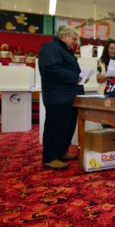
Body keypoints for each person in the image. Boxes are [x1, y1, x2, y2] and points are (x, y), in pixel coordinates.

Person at [39, 26, 85, 169]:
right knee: (56, 127)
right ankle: (50, 157)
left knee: (66, 126)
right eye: (73, 38)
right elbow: (52, 69)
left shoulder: (63, 50)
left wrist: (81, 77)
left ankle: (61, 151)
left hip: (67, 97)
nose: (75, 42)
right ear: (64, 35)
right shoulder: (51, 48)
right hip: (58, 97)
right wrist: (75, 77)